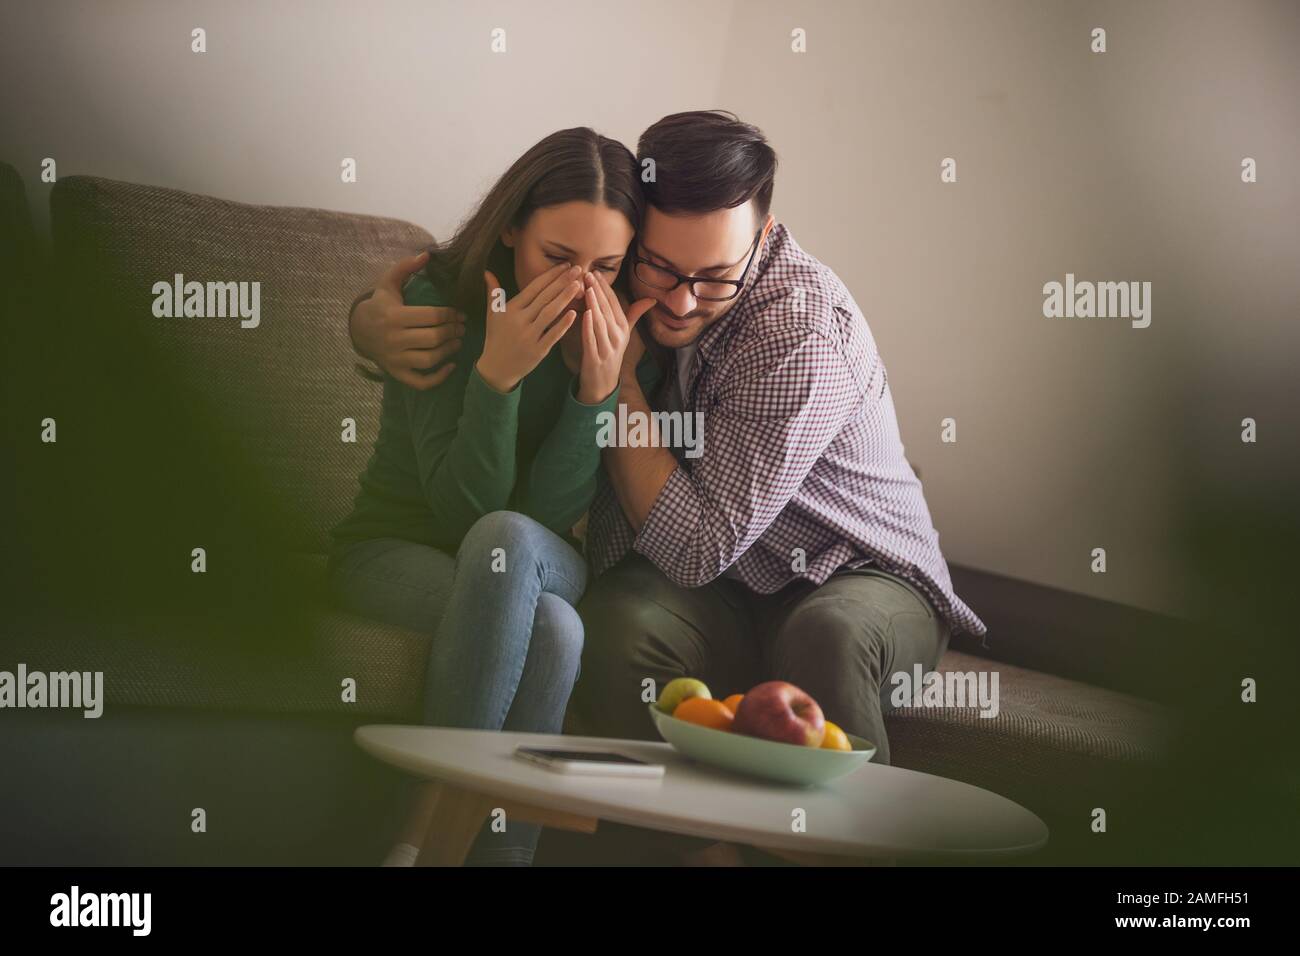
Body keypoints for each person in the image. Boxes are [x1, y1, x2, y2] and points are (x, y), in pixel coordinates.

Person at [349, 110, 987, 860]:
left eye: (714, 277)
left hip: (857, 571)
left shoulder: (797, 337)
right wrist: (367, 321)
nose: (681, 301)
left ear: (763, 233)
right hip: (720, 585)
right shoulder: (600, 284)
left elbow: (688, 546)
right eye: (658, 267)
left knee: (827, 633)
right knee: (608, 625)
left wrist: (609, 381)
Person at [329, 126, 656, 866]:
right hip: (395, 552)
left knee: (509, 543)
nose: (581, 287)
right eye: (558, 257)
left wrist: (594, 394)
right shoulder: (438, 301)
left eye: (606, 265)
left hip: (536, 553)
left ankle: (418, 839)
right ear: (512, 228)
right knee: (557, 633)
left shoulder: (624, 328)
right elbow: (463, 514)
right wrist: (496, 377)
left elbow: (534, 525)